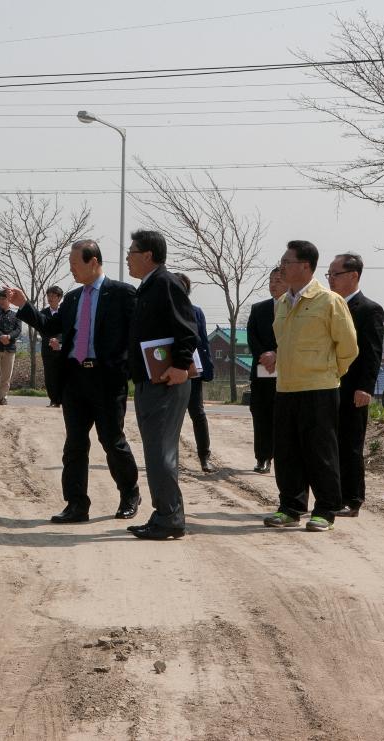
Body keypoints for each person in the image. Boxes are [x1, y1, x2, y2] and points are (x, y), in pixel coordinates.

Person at [9, 240, 142, 523]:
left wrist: (127, 369)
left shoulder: (121, 294)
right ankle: (76, 504)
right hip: (75, 378)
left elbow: (136, 334)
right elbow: (51, 327)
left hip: (106, 380)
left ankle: (129, 493)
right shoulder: (71, 298)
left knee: (112, 440)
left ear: (93, 261)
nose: (71, 270)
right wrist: (25, 306)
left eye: (74, 265)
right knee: (75, 444)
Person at [260, 240, 357, 533]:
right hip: (286, 387)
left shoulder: (329, 301)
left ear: (305, 266)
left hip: (319, 388)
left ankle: (326, 509)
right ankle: (291, 506)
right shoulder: (281, 304)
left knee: (320, 451)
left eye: (287, 262)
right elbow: (283, 343)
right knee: (287, 451)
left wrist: (328, 373)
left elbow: (348, 347)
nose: (282, 268)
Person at [124, 231, 200, 540]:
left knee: (160, 451)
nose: (127, 257)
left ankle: (169, 517)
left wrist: (181, 365)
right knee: (157, 451)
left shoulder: (167, 284)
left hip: (166, 382)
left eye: (131, 252)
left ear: (148, 255)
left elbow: (187, 328)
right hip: (149, 380)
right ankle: (166, 513)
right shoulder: (148, 286)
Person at [327, 253, 384, 517]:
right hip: (328, 387)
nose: (330, 279)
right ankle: (333, 497)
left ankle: (352, 499)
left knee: (350, 444)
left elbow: (372, 353)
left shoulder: (368, 309)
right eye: (329, 274)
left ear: (353, 276)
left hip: (353, 390)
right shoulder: (328, 306)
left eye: (335, 274)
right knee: (330, 444)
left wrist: (366, 387)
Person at [174, 273, 215, 473]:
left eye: (182, 286)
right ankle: (169, 457)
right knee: (172, 416)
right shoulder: (162, 310)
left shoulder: (196, 312)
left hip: (192, 369)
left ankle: (204, 456)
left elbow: (204, 342)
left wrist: (207, 368)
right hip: (169, 369)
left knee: (197, 413)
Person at [247, 268, 285, 474]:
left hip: (287, 371)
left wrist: (277, 355)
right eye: (271, 280)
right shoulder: (258, 309)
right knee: (260, 414)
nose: (273, 284)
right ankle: (262, 458)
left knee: (281, 417)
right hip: (262, 370)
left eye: (278, 281)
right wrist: (265, 356)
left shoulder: (295, 308)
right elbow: (252, 338)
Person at [0, 289, 23, 405]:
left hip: (10, 348)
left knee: (6, 376)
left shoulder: (16, 315)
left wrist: (9, 337)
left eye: (4, 298)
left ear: (9, 300)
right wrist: (1, 336)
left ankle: (2, 398)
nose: (1, 301)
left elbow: (18, 329)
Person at [40, 286, 65, 407]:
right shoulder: (43, 313)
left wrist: (59, 341)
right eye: (48, 295)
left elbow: (68, 330)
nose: (50, 298)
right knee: (49, 375)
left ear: (59, 298)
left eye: (53, 296)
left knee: (62, 374)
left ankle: (62, 399)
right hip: (47, 348)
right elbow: (41, 329)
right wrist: (51, 340)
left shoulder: (65, 312)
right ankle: (53, 400)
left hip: (62, 349)